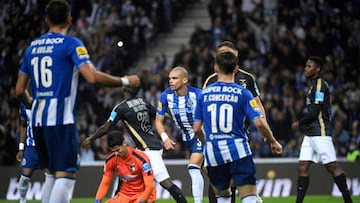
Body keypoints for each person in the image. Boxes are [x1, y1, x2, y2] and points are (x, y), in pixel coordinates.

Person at [14, 1, 140, 202]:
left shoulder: (32, 48)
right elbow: (92, 77)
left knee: (49, 175)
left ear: (46, 20)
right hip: (61, 121)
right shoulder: (71, 44)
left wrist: (32, 103)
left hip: (37, 123)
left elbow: (19, 90)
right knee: (65, 175)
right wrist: (126, 80)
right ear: (70, 20)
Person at [193, 51, 282, 203]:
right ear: (235, 69)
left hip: (214, 152)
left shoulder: (204, 94)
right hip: (238, 149)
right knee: (249, 195)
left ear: (216, 68)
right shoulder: (243, 93)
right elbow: (259, 122)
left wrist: (207, 143)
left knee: (223, 196)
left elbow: (196, 128)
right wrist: (272, 140)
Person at [82, 86, 188, 203]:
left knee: (165, 182)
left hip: (148, 149)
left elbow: (105, 128)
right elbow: (159, 115)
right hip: (148, 146)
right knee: (125, 175)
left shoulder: (121, 108)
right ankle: (120, 197)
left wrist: (90, 139)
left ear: (124, 91)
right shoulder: (143, 102)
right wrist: (173, 118)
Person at [291, 56, 353, 203]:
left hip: (321, 132)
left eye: (309, 66)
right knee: (302, 165)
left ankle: (348, 201)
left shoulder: (320, 85)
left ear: (317, 69)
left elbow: (316, 111)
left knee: (332, 167)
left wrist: (299, 122)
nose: (305, 68)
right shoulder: (313, 86)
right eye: (305, 66)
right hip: (310, 134)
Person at [155, 66, 204, 203]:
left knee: (193, 167)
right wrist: (165, 138)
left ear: (185, 80)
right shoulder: (166, 96)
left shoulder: (198, 95)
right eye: (170, 78)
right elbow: (158, 121)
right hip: (187, 137)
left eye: (174, 78)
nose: (170, 81)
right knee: (210, 173)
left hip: (202, 134)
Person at [94, 131, 156, 203]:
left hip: (143, 195)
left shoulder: (142, 160)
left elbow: (149, 186)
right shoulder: (111, 161)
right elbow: (105, 183)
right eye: (114, 151)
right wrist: (97, 201)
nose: (116, 153)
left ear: (124, 143)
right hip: (124, 196)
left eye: (118, 150)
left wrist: (141, 201)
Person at [16, 103, 54, 203]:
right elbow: (23, 126)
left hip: (47, 146)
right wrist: (21, 148)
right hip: (32, 146)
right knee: (25, 177)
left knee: (50, 176)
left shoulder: (48, 101)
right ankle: (22, 200)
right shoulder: (24, 105)